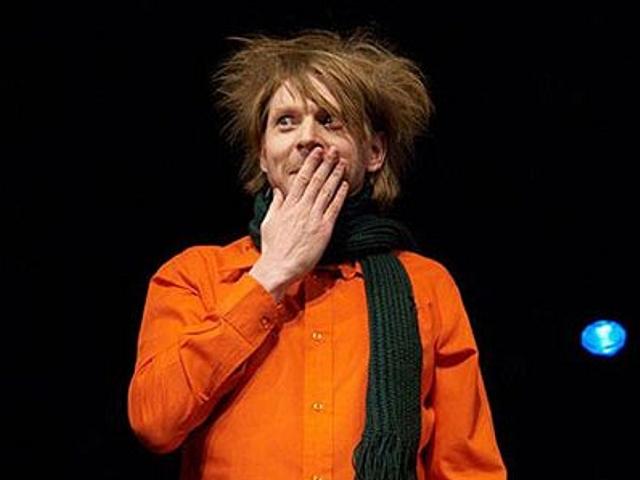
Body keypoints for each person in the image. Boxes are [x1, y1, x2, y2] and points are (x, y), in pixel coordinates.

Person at [128, 29, 507, 480]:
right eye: (286, 122)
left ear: (374, 152)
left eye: (330, 120)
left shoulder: (426, 285)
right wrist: (271, 275)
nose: (307, 138)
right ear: (263, 154)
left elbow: (467, 466)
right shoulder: (195, 275)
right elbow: (155, 423)